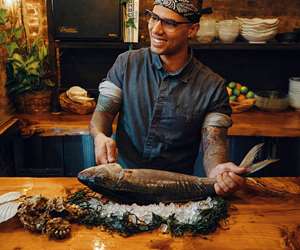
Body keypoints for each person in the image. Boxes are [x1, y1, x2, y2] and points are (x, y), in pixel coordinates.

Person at [90, 0, 247, 196]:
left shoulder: (212, 86)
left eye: (169, 23)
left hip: (175, 193)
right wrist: (100, 136)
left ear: (192, 30)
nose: (156, 29)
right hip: (121, 182)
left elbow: (214, 143)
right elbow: (103, 112)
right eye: (154, 17)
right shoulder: (126, 63)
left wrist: (217, 170)